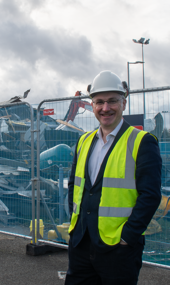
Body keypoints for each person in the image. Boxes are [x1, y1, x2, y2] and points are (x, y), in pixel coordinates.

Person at [66, 70, 162, 285]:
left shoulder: (142, 142)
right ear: (92, 105)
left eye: (112, 101)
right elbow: (74, 186)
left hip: (119, 249)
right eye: (99, 102)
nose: (105, 108)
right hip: (81, 243)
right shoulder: (83, 141)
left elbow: (150, 195)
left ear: (124, 103)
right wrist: (75, 226)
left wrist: (128, 237)